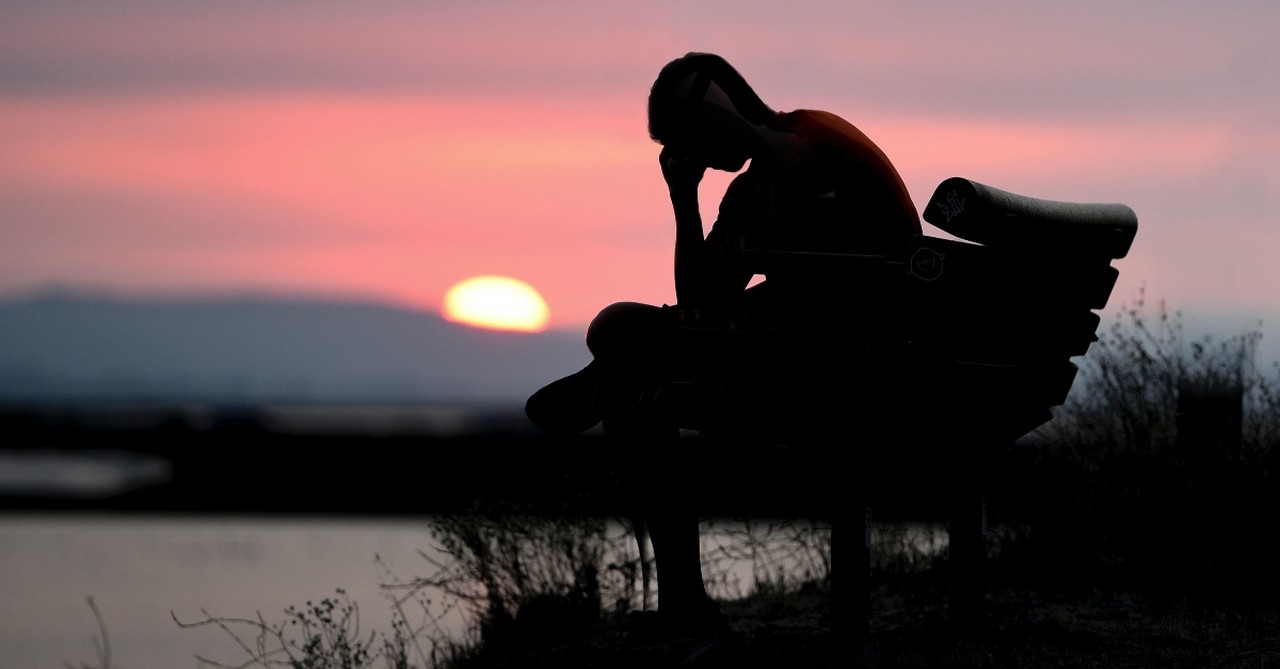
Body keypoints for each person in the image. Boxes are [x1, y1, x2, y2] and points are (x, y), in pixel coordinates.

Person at [525, 52, 920, 646]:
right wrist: (685, 200)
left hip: (832, 370)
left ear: (717, 113)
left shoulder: (813, 159)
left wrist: (744, 308)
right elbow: (700, 302)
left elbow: (835, 292)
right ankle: (607, 377)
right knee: (627, 363)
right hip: (826, 356)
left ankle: (685, 611)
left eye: (692, 140)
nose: (699, 158)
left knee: (618, 341)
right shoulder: (779, 165)